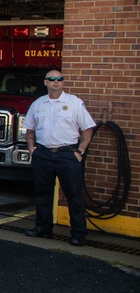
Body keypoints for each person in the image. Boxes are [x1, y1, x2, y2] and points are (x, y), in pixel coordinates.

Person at [23, 69, 96, 246]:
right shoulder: (38, 103)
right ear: (45, 82)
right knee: (42, 194)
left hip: (67, 155)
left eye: (59, 79)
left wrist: (79, 152)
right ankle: (43, 228)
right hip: (43, 154)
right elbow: (30, 129)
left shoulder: (74, 103)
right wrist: (33, 150)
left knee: (74, 195)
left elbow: (87, 129)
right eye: (52, 79)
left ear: (63, 82)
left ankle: (78, 234)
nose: (56, 81)